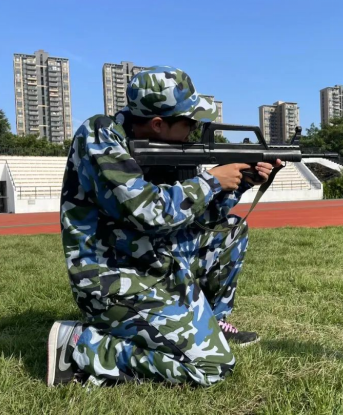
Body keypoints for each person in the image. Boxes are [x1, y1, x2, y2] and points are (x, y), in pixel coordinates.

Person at [47, 66, 281, 387]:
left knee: (231, 230)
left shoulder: (167, 151)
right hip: (115, 281)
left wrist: (241, 182)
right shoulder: (99, 136)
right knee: (212, 367)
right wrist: (212, 181)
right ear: (158, 124)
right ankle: (81, 346)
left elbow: (199, 219)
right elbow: (149, 213)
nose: (195, 130)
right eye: (190, 123)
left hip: (155, 264)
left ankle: (213, 322)